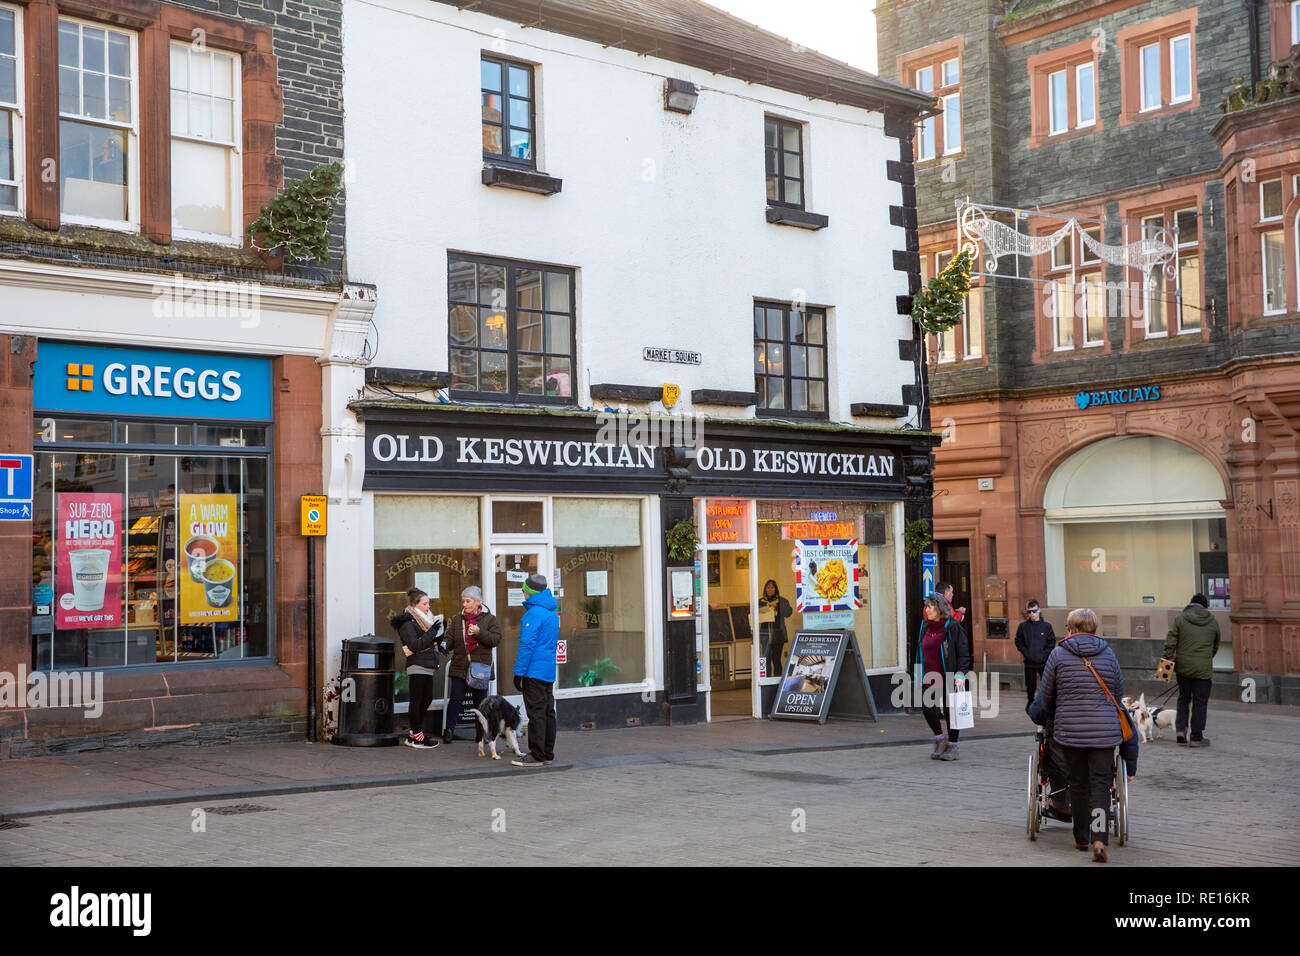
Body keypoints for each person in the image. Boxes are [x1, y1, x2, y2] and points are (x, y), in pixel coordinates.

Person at [1034, 607, 1136, 863]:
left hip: (1070, 733)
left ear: (1070, 628)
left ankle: (1081, 837)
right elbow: (1117, 691)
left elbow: (1047, 697)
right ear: (1094, 628)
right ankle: (1099, 839)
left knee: (1077, 784)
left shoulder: (1058, 654)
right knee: (1100, 785)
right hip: (1104, 733)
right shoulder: (1108, 653)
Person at [439, 585, 502, 745]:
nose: (465, 604)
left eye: (468, 601)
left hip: (480, 666)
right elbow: (450, 638)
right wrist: (445, 644)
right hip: (460, 665)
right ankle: (449, 731)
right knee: (455, 699)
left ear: (477, 602)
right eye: (463, 601)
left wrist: (480, 633)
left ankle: (481, 734)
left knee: (480, 703)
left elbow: (496, 640)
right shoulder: (457, 619)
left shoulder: (490, 619)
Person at [914, 595, 971, 761]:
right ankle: (940, 739)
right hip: (929, 676)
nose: (927, 610)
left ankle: (953, 746)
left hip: (949, 675)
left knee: (949, 711)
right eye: (927, 607)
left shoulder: (952, 626)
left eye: (931, 607)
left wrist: (961, 672)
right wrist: (918, 672)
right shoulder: (925, 626)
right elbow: (920, 650)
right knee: (927, 708)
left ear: (940, 609)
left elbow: (963, 651)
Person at [512, 573, 559, 767]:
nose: (523, 594)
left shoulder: (532, 614)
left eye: (523, 590)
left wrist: (518, 672)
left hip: (533, 671)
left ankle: (536, 755)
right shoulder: (552, 613)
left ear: (528, 592)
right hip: (548, 670)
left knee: (536, 714)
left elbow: (527, 645)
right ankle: (547, 752)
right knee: (548, 712)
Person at [1163, 593, 1220, 747]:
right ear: (1205, 607)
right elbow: (1215, 646)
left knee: (1183, 698)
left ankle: (1181, 729)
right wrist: (1206, 659)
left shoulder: (1181, 619)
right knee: (1200, 703)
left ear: (1191, 605)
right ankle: (1196, 737)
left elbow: (1170, 641)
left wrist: (1168, 659)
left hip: (1183, 668)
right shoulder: (1213, 622)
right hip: (1203, 670)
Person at [390, 587, 444, 749]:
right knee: (417, 699)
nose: (428, 606)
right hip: (417, 663)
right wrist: (434, 630)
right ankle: (416, 735)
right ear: (414, 605)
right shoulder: (407, 623)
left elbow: (430, 641)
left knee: (426, 699)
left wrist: (440, 636)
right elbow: (415, 645)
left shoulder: (427, 620)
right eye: (425, 603)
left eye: (429, 603)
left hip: (428, 663)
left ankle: (415, 733)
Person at [1015, 599, 1057, 704]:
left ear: (1039, 610)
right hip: (1029, 662)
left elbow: (1051, 642)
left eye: (1034, 611)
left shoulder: (1047, 626)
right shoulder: (1023, 626)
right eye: (1029, 612)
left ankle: (1047, 703)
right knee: (1030, 685)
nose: (1032, 614)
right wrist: (1026, 653)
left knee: (1047, 684)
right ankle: (1030, 702)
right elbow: (1018, 641)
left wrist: (1044, 654)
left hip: (1044, 662)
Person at [758, 579, 793, 675]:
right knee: (766, 659)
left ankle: (777, 682)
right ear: (765, 589)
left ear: (776, 589)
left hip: (778, 635)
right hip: (765, 635)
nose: (770, 589)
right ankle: (766, 681)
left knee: (776, 659)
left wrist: (777, 606)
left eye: (772, 587)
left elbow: (788, 613)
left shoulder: (782, 601)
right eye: (768, 587)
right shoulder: (760, 602)